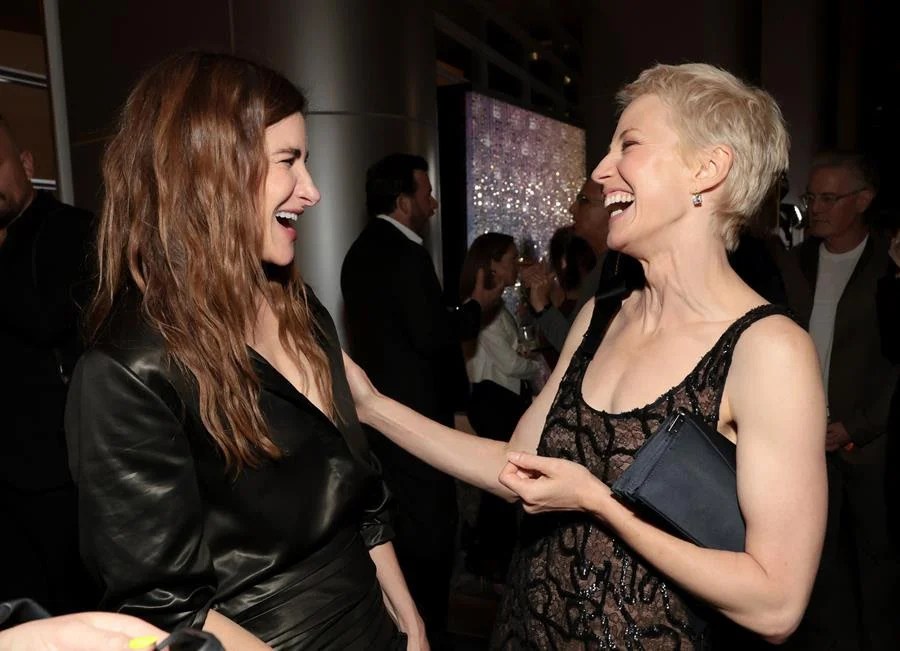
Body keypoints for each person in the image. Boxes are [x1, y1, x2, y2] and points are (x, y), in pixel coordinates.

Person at [343, 62, 827, 648]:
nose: (600, 172)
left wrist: (602, 504)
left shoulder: (770, 350)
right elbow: (515, 467)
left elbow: (776, 604)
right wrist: (370, 406)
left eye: (629, 144)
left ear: (708, 167)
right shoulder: (599, 318)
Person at [64, 52, 424, 650]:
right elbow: (167, 609)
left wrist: (408, 617)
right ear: (210, 172)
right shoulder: (127, 372)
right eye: (289, 161)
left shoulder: (298, 306)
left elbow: (360, 489)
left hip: (372, 620)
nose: (312, 191)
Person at [340, 153, 500, 641]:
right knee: (429, 533)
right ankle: (426, 628)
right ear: (403, 199)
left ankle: (404, 623)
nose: (432, 204)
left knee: (398, 528)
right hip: (415, 419)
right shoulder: (405, 254)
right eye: (426, 193)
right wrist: (475, 308)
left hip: (377, 420)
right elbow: (432, 334)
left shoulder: (358, 252)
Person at [781, 152, 898, 649]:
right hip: (804, 442)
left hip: (870, 447)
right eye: (812, 197)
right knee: (817, 567)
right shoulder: (797, 262)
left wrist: (857, 426)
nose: (817, 208)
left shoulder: (886, 267)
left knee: (879, 567)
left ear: (863, 201)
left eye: (829, 198)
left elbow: (897, 364)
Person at [0, 115, 96, 614]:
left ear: (27, 164)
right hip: (7, 481)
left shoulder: (73, 230)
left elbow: (50, 318)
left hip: (59, 474)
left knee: (69, 614)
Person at [459, 233, 541, 581]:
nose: (516, 265)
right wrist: (537, 364)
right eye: (510, 259)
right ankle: (488, 561)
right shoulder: (482, 309)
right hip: (493, 398)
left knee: (501, 484)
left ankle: (491, 559)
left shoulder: (495, 307)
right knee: (500, 484)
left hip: (501, 398)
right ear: (492, 264)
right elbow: (510, 363)